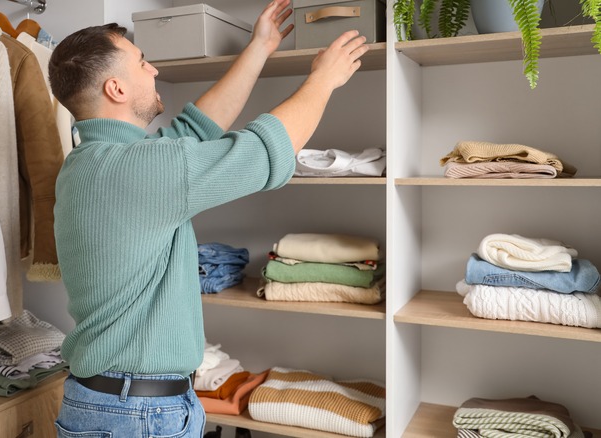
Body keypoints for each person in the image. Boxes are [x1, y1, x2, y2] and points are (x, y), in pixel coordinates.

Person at [48, 0, 368, 436]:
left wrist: (259, 48)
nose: (154, 70)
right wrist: (324, 80)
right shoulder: (136, 169)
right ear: (116, 88)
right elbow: (261, 153)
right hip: (136, 415)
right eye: (142, 63)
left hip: (109, 404)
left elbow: (195, 130)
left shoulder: (90, 164)